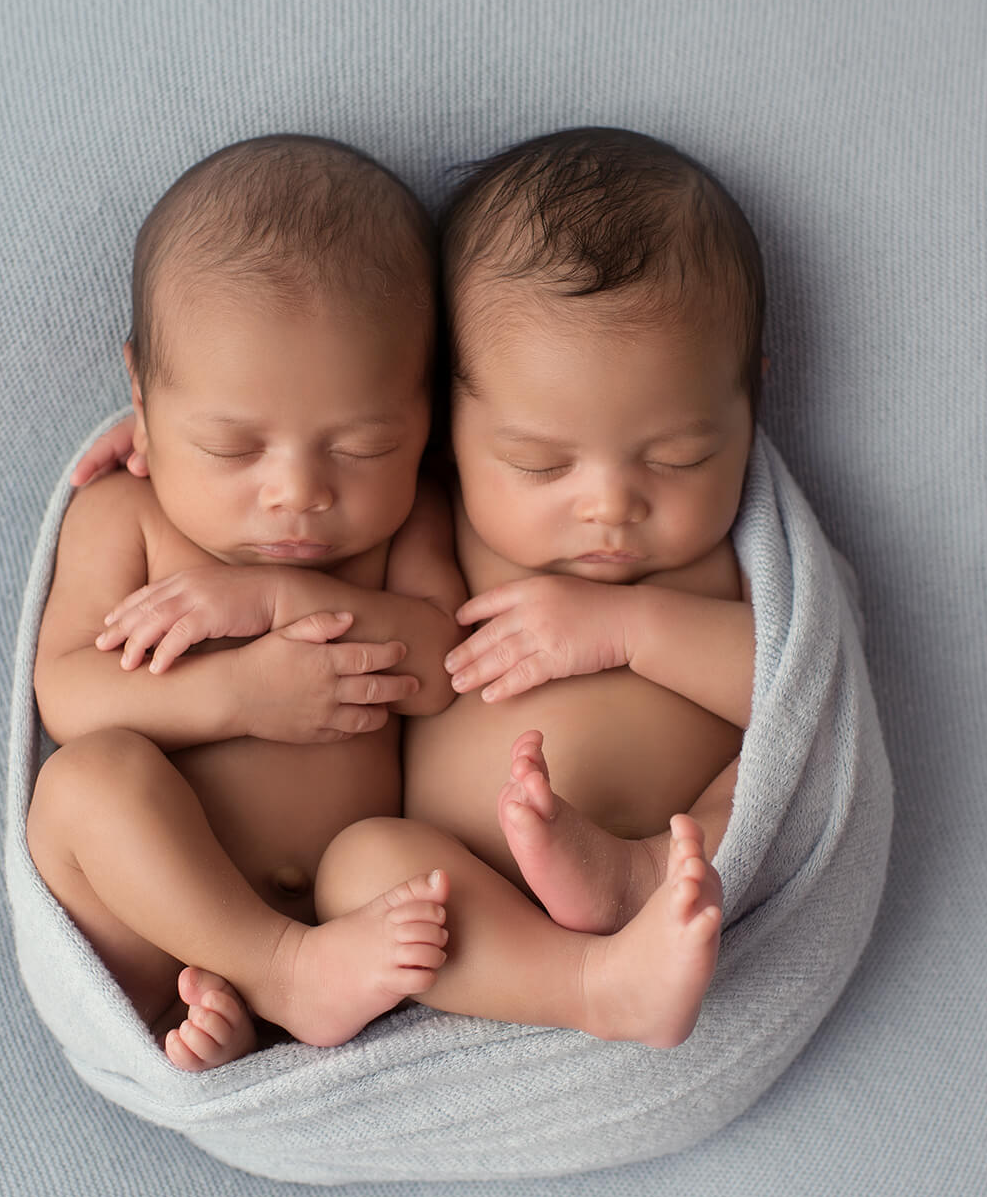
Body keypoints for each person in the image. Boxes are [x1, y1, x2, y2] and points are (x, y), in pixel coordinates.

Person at [90, 128, 759, 1054]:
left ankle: (622, 921)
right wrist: (166, 440)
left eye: (680, 458)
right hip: (434, 898)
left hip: (681, 871)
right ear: (457, 425)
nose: (609, 506)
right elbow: (72, 695)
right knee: (358, 868)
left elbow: (799, 698)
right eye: (539, 462)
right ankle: (569, 983)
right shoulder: (431, 512)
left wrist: (633, 626)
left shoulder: (715, 559)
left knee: (755, 786)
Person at [26, 134, 466, 1073]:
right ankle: (269, 971)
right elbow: (66, 693)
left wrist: (270, 596)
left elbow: (442, 670)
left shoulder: (404, 524)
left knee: (420, 864)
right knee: (83, 786)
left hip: (356, 921)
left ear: (426, 414)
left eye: (360, 447)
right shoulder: (125, 518)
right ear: (141, 397)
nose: (297, 493)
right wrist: (235, 698)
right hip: (160, 927)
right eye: (232, 448)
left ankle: (265, 998)